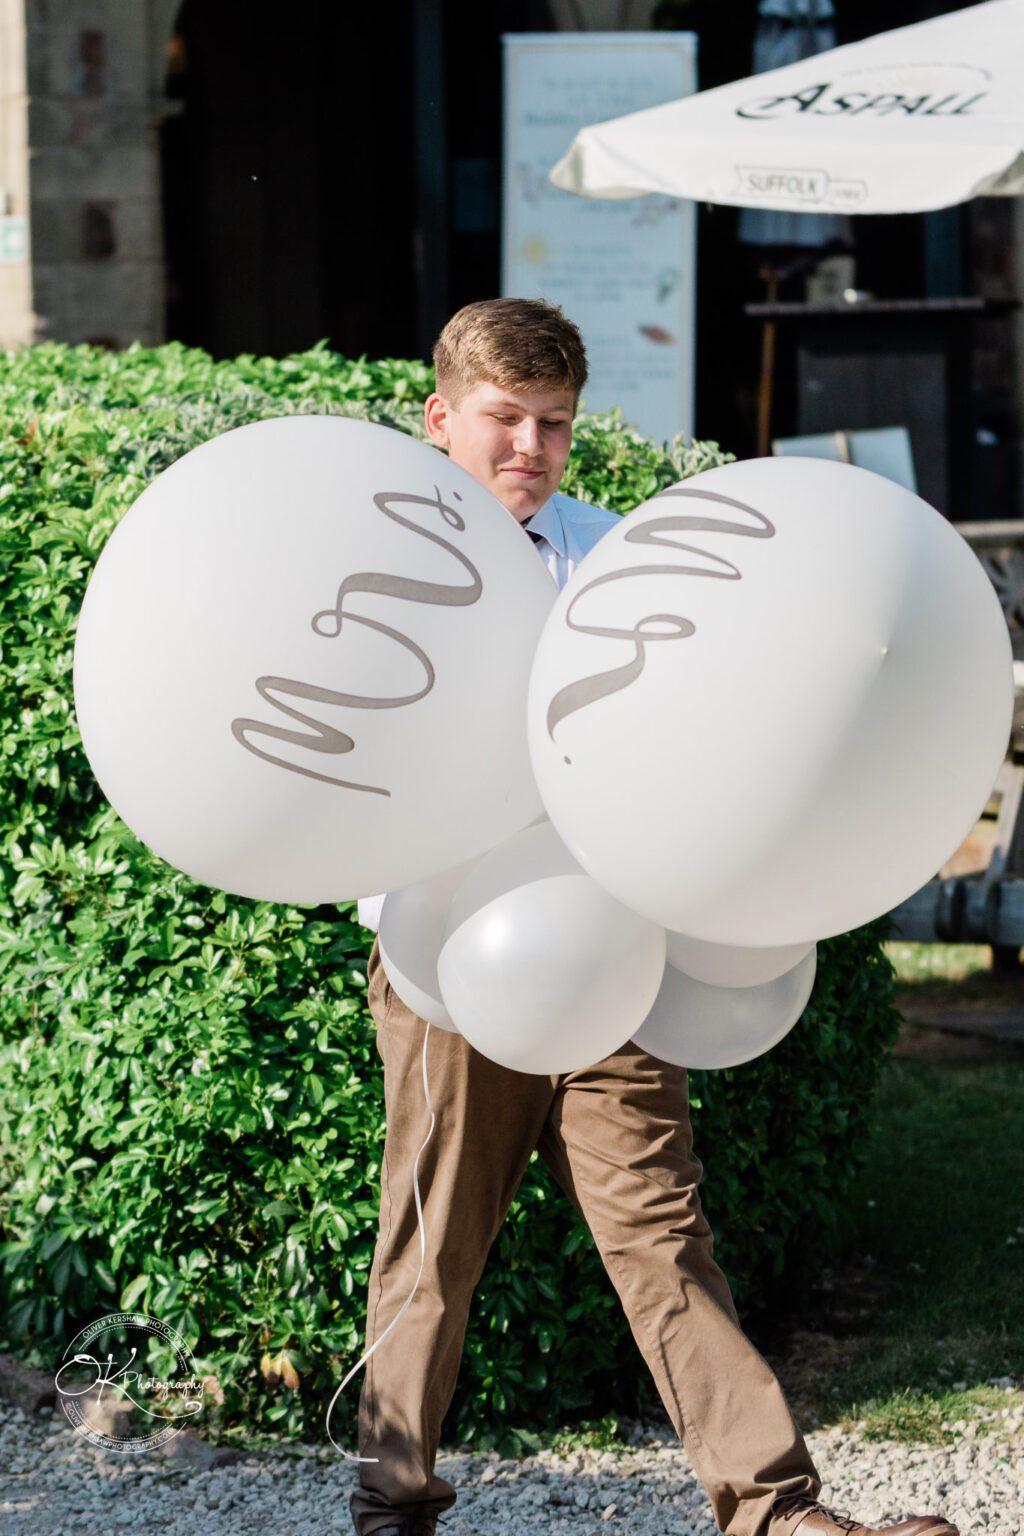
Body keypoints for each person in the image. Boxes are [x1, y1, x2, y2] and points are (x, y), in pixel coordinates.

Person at [349, 298, 959, 1536]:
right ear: (441, 417)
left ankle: (772, 1507)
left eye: (554, 424)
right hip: (453, 958)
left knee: (662, 1231)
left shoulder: (623, 558)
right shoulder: (380, 568)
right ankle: (391, 1499)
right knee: (431, 1237)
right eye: (504, 419)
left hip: (623, 946)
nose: (529, 444)